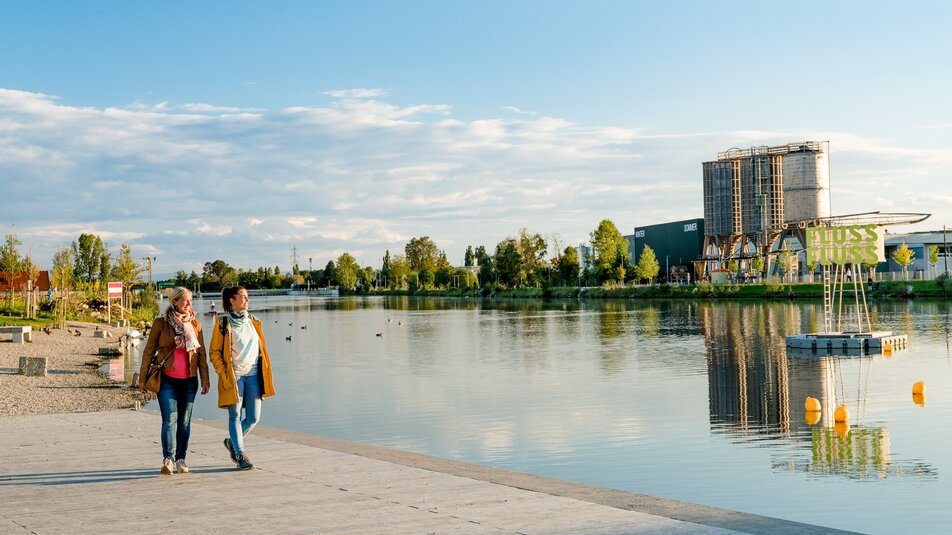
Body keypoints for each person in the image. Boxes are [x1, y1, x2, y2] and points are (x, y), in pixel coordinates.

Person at [137, 286, 210, 475]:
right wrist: (142, 378)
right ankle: (168, 459)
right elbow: (148, 351)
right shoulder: (161, 323)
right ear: (174, 301)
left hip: (189, 381)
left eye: (190, 301)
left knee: (184, 422)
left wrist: (205, 379)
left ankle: (181, 459)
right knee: (169, 419)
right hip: (166, 379)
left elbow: (201, 354)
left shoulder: (195, 324)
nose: (188, 304)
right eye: (185, 300)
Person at [209, 286, 275, 470]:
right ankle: (240, 454)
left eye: (248, 297)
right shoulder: (222, 324)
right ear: (232, 300)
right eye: (243, 297)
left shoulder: (254, 322)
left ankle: (231, 442)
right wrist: (224, 375)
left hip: (254, 375)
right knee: (235, 415)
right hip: (234, 375)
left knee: (253, 418)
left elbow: (261, 350)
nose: (247, 300)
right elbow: (214, 353)